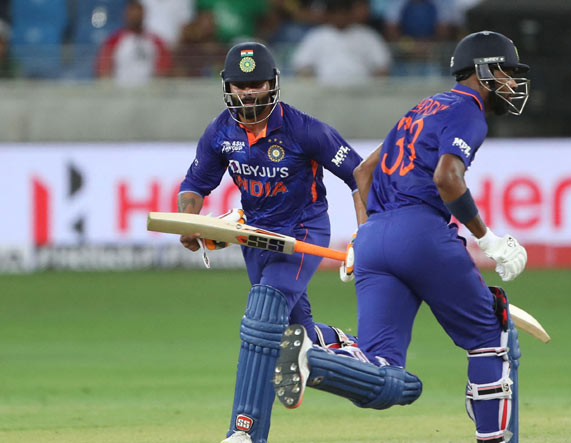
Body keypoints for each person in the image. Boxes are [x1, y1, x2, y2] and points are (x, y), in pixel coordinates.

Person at [273, 30, 530, 442]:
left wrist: (362, 238)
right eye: (509, 73)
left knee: (382, 372)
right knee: (490, 335)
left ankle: (314, 354)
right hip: (421, 233)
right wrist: (489, 239)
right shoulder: (469, 111)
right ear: (484, 71)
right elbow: (447, 177)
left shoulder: (420, 109)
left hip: (374, 239)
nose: (514, 84)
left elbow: (362, 173)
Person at [176, 41, 366, 443]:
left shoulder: (304, 129)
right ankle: (347, 350)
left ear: (272, 84)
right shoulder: (220, 132)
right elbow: (195, 183)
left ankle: (243, 431)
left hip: (302, 232)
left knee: (263, 317)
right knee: (291, 334)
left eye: (256, 83)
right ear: (228, 87)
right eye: (239, 85)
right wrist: (189, 221)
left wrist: (364, 234)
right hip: (255, 238)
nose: (248, 92)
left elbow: (360, 175)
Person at [290, 0, 391, 86]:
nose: (340, 17)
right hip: (325, 93)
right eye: (336, 13)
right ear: (329, 14)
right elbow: (301, 67)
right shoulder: (317, 36)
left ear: (350, 13)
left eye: (344, 12)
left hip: (361, 93)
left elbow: (382, 67)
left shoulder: (367, 36)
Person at [95, 0, 172, 87]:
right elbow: (103, 70)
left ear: (144, 14)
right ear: (125, 14)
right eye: (132, 12)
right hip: (120, 94)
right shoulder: (113, 41)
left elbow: (164, 69)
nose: (135, 16)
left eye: (138, 13)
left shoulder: (156, 42)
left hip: (149, 95)